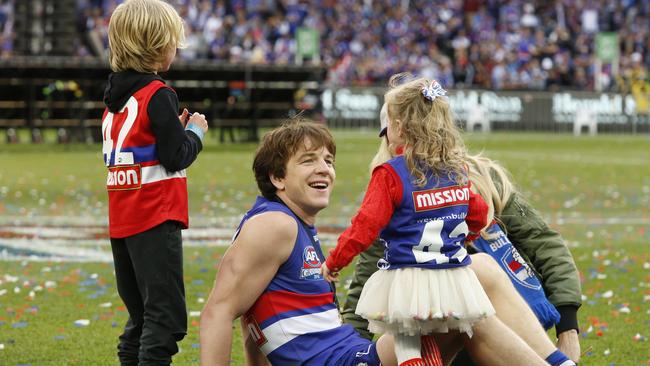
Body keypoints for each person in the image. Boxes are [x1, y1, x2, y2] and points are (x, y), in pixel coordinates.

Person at [199, 121, 550, 366]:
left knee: (470, 301)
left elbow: (253, 325)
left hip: (355, 353)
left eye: (328, 160)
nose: (324, 169)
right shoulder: (275, 225)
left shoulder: (289, 224)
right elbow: (220, 310)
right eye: (308, 161)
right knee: (470, 305)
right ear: (277, 178)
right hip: (348, 360)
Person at [342, 102, 581, 365]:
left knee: (478, 271)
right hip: (447, 334)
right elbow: (363, 289)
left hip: (515, 325)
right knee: (470, 280)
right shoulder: (391, 195)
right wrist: (355, 355)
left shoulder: (484, 179)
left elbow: (545, 245)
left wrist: (568, 327)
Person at [101, 0, 208, 364]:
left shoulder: (114, 100)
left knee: (142, 317)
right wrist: (194, 132)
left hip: (123, 221)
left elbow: (147, 145)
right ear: (157, 45)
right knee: (166, 321)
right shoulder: (158, 93)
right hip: (154, 217)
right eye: (172, 43)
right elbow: (176, 156)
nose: (175, 50)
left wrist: (171, 133)